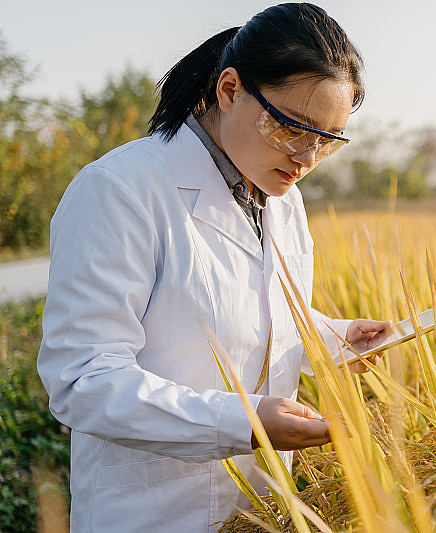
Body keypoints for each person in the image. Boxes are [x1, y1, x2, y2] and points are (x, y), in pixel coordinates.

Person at [37, 4, 391, 531]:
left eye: (327, 139)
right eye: (292, 127)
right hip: (152, 512)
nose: (306, 157)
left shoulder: (281, 198)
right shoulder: (120, 189)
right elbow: (83, 377)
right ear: (229, 90)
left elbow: (245, 309)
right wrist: (242, 422)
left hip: (260, 508)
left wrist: (334, 341)